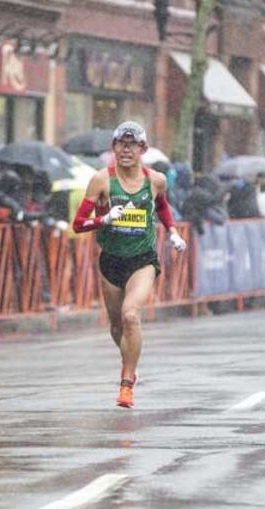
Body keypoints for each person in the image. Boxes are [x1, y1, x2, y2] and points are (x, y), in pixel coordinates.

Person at [72, 121, 186, 408]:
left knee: (131, 316)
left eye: (132, 145)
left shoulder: (156, 180)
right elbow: (78, 224)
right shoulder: (101, 180)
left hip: (142, 259)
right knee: (116, 325)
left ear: (142, 150)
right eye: (121, 145)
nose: (126, 150)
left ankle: (126, 385)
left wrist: (172, 232)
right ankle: (131, 364)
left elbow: (162, 205)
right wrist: (104, 219)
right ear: (114, 148)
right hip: (111, 260)